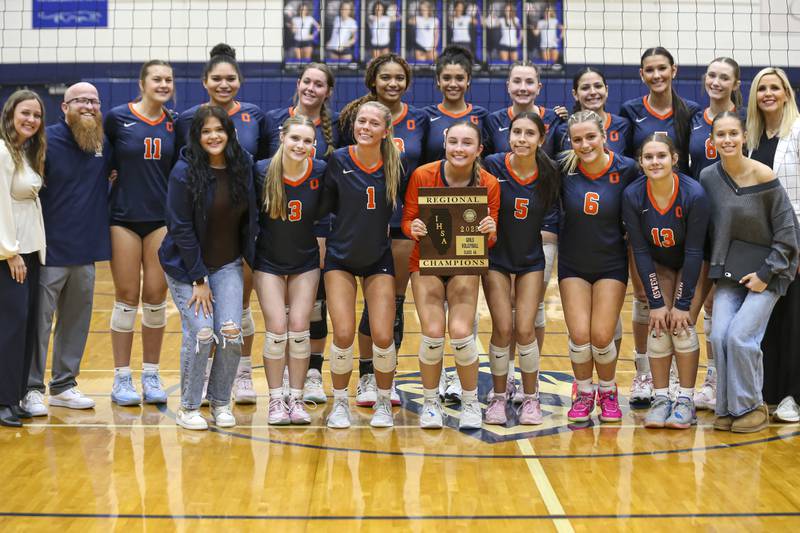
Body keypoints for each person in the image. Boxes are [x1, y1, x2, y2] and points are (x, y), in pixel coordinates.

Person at [176, 43, 269, 405]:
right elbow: (179, 166)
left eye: (231, 78)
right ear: (204, 81)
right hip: (201, 223)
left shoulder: (254, 116)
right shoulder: (187, 119)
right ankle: (201, 381)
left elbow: (258, 170)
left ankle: (241, 373)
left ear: (240, 81)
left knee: (238, 308)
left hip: (237, 226)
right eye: (217, 78)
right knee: (205, 317)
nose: (224, 84)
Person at [338, 53, 429, 408]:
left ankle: (382, 378)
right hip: (362, 222)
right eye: (385, 78)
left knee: (393, 302)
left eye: (399, 78)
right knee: (362, 303)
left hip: (404, 221)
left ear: (407, 82)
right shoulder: (353, 118)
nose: (393, 84)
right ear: (372, 81)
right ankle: (363, 376)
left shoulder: (420, 119)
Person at [700, 111, 799, 434]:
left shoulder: (765, 176)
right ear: (712, 141)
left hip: (769, 273)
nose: (727, 140)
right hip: (729, 274)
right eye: (721, 135)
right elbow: (711, 231)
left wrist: (765, 274)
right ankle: (728, 408)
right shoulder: (708, 179)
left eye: (733, 134)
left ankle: (751, 406)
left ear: (744, 137)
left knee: (741, 336)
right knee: (718, 335)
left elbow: (788, 234)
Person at [160, 105, 257, 430]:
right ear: (197, 136)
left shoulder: (241, 165)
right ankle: (189, 408)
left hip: (227, 263)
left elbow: (251, 217)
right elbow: (181, 228)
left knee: (230, 333)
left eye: (219, 130)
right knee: (202, 333)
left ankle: (219, 402)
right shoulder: (184, 172)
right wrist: (199, 278)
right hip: (188, 268)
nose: (213, 136)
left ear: (229, 133)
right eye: (206, 131)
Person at [402, 120, 500, 429]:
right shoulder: (423, 175)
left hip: (464, 262)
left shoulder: (489, 182)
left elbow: (491, 237)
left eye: (467, 143)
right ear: (445, 144)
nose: (459, 148)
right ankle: (431, 403)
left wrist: (490, 229)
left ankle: (470, 402)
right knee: (432, 333)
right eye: (454, 142)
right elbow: (408, 220)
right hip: (427, 262)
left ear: (478, 149)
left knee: (460, 332)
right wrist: (413, 228)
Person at [22, 83, 111, 417]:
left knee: (75, 322)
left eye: (94, 101)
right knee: (39, 325)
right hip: (48, 250)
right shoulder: (42, 141)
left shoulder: (102, 142)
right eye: (80, 101)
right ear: (64, 107)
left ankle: (63, 385)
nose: (88, 106)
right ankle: (30, 388)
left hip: (85, 251)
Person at [620, 47, 701, 402]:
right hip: (643, 213)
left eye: (662, 69)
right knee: (644, 298)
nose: (656, 75)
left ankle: (686, 387)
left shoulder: (690, 113)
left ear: (673, 70)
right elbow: (623, 167)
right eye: (649, 70)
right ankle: (645, 376)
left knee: (683, 313)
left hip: (683, 215)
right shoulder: (630, 113)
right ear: (641, 74)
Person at [319, 101, 403, 429]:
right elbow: (322, 208)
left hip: (377, 257)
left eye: (372, 123)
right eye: (360, 121)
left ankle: (383, 402)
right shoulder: (338, 160)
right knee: (342, 333)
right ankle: (340, 403)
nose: (364, 127)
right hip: (340, 258)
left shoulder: (396, 164)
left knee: (383, 335)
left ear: (386, 131)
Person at [623, 134, 710, 429]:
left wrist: (682, 303)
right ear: (641, 162)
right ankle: (661, 399)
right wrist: (657, 303)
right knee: (658, 326)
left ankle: (685, 400)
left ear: (674, 159)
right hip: (658, 262)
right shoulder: (633, 195)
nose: (655, 161)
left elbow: (695, 251)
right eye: (648, 157)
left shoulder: (693, 194)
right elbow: (641, 251)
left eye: (661, 155)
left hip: (693, 263)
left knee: (682, 326)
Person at [558, 110, 638, 423]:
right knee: (580, 335)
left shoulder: (627, 169)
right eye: (577, 139)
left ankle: (607, 391)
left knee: (602, 335)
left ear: (604, 135)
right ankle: (584, 392)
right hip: (573, 263)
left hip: (610, 262)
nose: (585, 144)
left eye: (591, 137)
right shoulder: (563, 168)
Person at [103, 61, 175, 407]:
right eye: (157, 78)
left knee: (156, 297)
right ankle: (121, 378)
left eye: (168, 79)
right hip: (124, 218)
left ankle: (151, 372)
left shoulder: (174, 123)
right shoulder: (118, 118)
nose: (163, 84)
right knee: (127, 295)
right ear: (142, 83)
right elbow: (99, 159)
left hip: (160, 219)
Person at [266, 62, 338, 403]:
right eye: (306, 81)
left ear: (327, 91)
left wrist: (324, 234)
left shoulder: (335, 128)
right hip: (276, 232)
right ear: (298, 83)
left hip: (316, 230)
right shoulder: (275, 120)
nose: (311, 88)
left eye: (319, 84)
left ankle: (312, 372)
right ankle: (279, 378)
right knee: (279, 314)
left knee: (313, 307)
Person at [482, 111, 559, 425]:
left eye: (529, 134)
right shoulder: (493, 166)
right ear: (508, 135)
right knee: (502, 328)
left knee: (526, 329)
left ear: (541, 138)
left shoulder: (551, 172)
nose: (521, 139)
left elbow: (553, 220)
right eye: (516, 132)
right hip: (496, 259)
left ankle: (531, 398)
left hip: (530, 259)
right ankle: (499, 398)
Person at [254, 115, 326, 425]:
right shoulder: (261, 171)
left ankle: (295, 399)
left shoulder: (321, 171)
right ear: (282, 137)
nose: (301, 145)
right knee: (276, 331)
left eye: (307, 141)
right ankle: (274, 399)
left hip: (304, 261)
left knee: (299, 328)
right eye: (295, 138)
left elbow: (327, 217)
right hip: (268, 261)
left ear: (314, 145)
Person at [688, 57, 743, 411]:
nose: (716, 82)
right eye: (712, 75)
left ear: (736, 83)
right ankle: (689, 380)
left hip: (732, 224)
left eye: (725, 77)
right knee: (692, 301)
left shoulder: (743, 122)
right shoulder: (692, 119)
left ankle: (715, 377)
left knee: (720, 305)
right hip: (696, 221)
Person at [746, 67, 800, 423]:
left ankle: (792, 396)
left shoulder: (797, 132)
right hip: (760, 244)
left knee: (794, 319)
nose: (768, 93)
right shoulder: (751, 136)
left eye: (774, 87)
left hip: (792, 238)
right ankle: (766, 393)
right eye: (762, 88)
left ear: (785, 93)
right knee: (767, 318)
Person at [0, 90, 46, 427]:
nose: (31, 120)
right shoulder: (2, 151)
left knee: (26, 327)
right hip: (10, 255)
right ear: (10, 113)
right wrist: (9, 252)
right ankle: (3, 401)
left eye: (36, 115)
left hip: (30, 252)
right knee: (11, 328)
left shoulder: (24, 152)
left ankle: (13, 398)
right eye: (25, 113)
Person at [423, 45, 488, 167]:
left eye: (459, 78)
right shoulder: (424, 116)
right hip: (431, 185)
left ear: (468, 80)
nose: (453, 84)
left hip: (472, 185)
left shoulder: (482, 116)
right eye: (446, 78)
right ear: (438, 80)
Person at [484, 61, 561, 157]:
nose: (523, 88)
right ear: (508, 86)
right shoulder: (493, 120)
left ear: (538, 88)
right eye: (517, 81)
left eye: (529, 82)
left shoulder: (555, 119)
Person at [553, 67, 630, 155]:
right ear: (575, 94)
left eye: (598, 86)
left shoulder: (623, 125)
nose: (593, 92)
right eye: (585, 88)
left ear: (606, 90)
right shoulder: (563, 130)